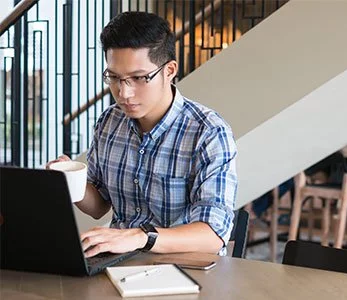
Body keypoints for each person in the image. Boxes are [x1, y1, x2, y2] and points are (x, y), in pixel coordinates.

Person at [46, 11, 237, 257]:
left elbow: (213, 234)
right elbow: (98, 206)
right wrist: (70, 182)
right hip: (118, 263)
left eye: (138, 78)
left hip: (185, 269)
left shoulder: (209, 132)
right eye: (113, 77)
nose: (123, 93)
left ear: (169, 71)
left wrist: (139, 236)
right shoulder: (110, 121)